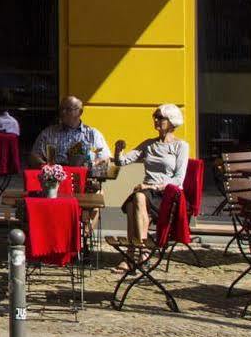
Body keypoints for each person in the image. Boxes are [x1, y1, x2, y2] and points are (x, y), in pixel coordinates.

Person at [112, 103, 191, 249]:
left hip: (168, 194)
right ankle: (134, 253)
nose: (156, 120)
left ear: (172, 121)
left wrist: (150, 186)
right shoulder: (149, 144)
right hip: (148, 193)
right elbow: (121, 161)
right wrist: (118, 150)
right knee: (132, 205)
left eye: (160, 117)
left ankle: (140, 251)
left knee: (139, 197)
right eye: (155, 117)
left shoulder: (181, 146)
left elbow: (178, 180)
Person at [29, 96, 110, 174]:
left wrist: (92, 164)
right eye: (61, 109)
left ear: (80, 112)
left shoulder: (92, 134)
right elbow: (34, 156)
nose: (63, 112)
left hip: (86, 178)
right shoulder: (48, 133)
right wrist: (47, 169)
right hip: (56, 179)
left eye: (68, 109)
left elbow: (105, 157)